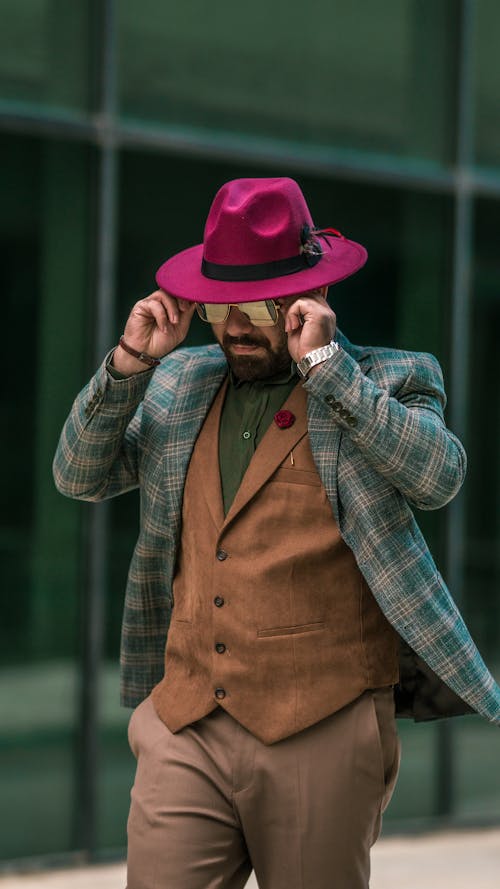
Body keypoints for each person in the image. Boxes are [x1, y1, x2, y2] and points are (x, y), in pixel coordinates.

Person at [53, 177, 500, 889]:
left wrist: (329, 371)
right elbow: (78, 474)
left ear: (309, 296)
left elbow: (439, 477)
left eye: (257, 306)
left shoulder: (387, 378)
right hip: (187, 721)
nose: (235, 326)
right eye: (222, 305)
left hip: (322, 725)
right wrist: (129, 366)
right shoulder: (179, 384)